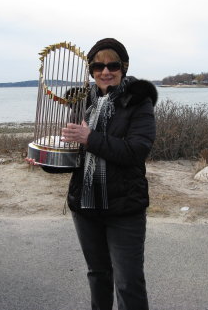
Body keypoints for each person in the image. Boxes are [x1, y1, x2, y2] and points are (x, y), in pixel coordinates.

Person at [61, 38, 157, 310]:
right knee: (98, 274)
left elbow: (135, 151)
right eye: (98, 66)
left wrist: (90, 137)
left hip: (124, 206)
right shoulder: (81, 102)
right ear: (90, 70)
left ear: (124, 67)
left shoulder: (139, 101)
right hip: (86, 205)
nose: (105, 71)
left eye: (113, 65)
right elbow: (74, 153)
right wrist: (47, 159)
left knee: (128, 282)